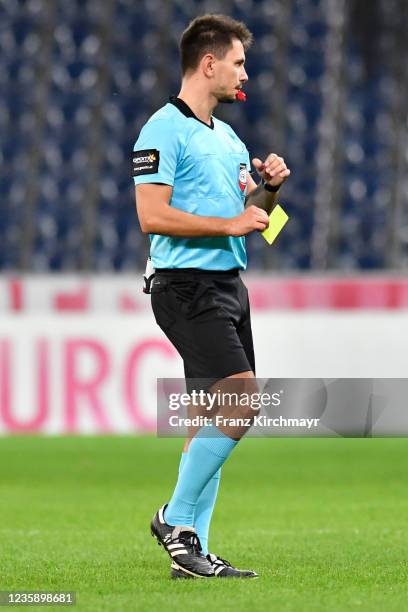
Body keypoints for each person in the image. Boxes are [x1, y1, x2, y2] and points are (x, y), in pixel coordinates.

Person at [133, 14, 290, 579]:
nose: (244, 72)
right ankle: (175, 521)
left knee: (213, 414)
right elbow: (150, 215)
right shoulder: (162, 130)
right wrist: (227, 225)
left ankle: (190, 552)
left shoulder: (228, 137)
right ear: (209, 64)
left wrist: (270, 189)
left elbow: (261, 224)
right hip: (185, 286)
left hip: (228, 286)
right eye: (239, 62)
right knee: (243, 400)